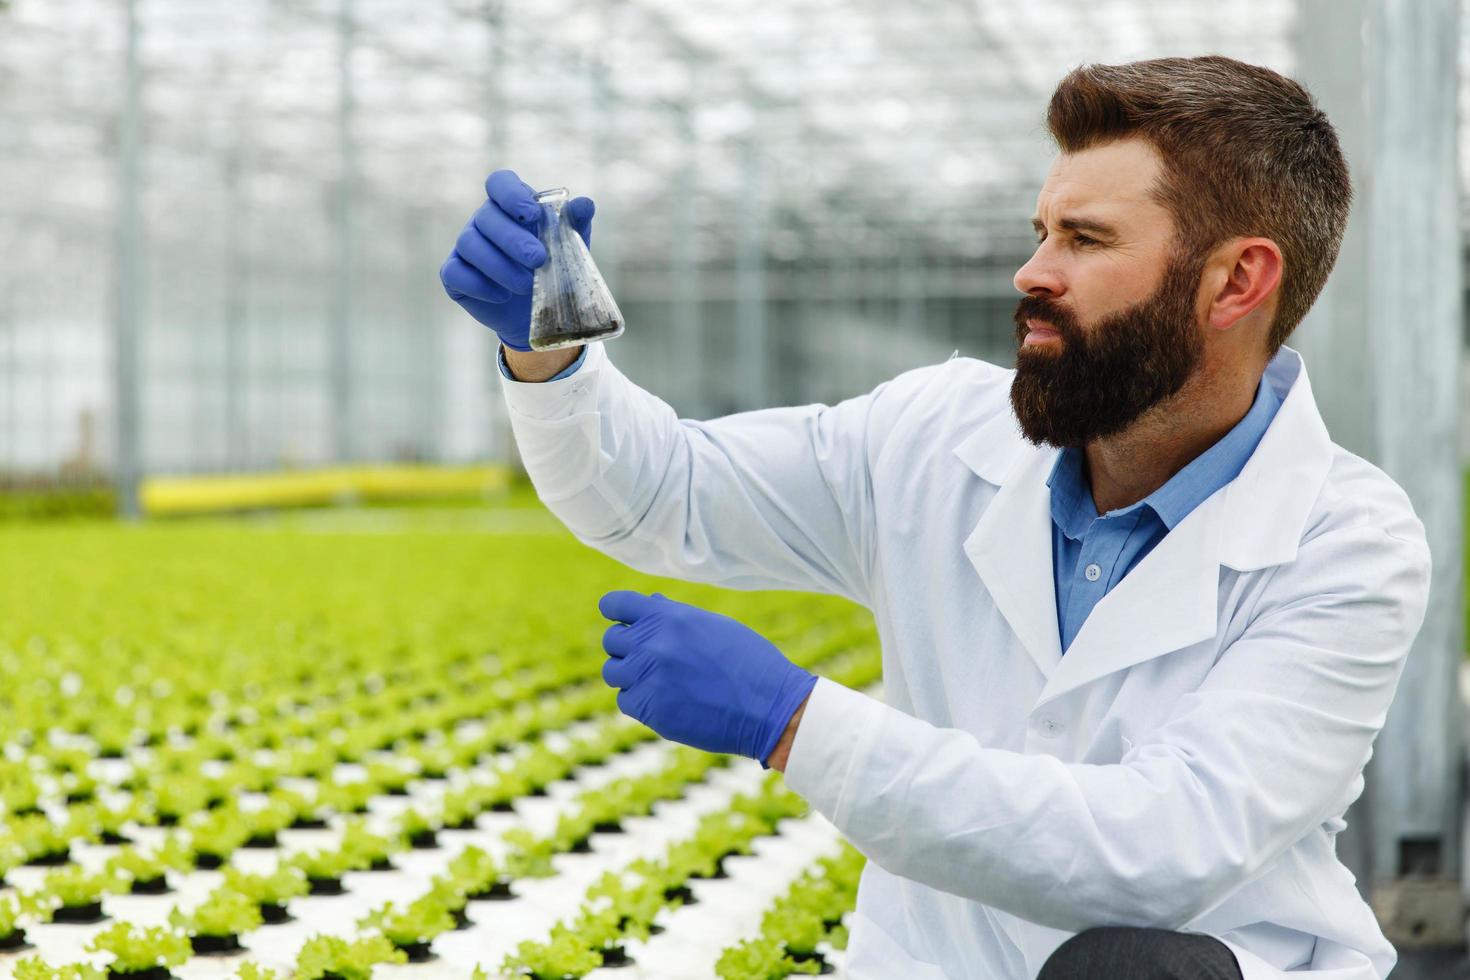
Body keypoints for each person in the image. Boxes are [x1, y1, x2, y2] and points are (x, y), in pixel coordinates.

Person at [440, 55, 1432, 980]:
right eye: (1041, 231)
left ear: (1237, 282)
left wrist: (796, 721)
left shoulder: (1344, 540)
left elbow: (1154, 851)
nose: (1033, 272)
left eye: (1084, 240)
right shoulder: (936, 437)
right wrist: (550, 348)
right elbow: (661, 491)